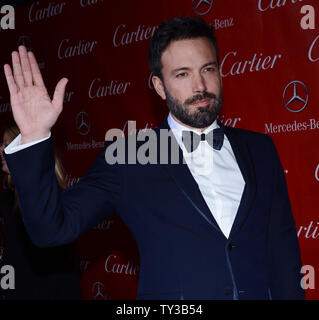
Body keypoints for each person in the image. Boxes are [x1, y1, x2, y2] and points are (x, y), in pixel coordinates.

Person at [2, 17, 304, 300]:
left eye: (208, 69)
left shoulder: (260, 150)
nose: (199, 86)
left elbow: (284, 253)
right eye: (182, 74)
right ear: (159, 86)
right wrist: (34, 138)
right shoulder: (128, 158)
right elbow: (52, 230)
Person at [0, 120, 82, 300]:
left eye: (8, 143)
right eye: (2, 144)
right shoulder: (7, 198)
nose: (2, 150)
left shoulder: (50, 197)